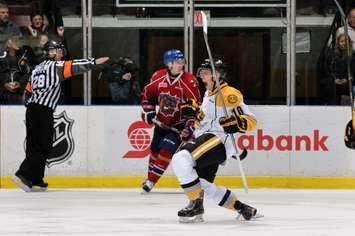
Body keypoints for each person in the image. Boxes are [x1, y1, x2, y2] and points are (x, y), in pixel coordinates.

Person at [12, 39, 109, 192]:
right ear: (48, 52)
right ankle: (22, 173)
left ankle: (36, 179)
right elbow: (75, 66)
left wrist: (31, 105)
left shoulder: (37, 68)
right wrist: (93, 62)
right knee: (43, 145)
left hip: (31, 110)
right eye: (55, 50)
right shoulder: (56, 66)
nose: (59, 53)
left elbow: (28, 92)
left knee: (33, 145)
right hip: (43, 110)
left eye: (59, 50)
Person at [171, 58, 259, 223]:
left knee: (180, 159)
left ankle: (196, 205)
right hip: (207, 140)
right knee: (201, 183)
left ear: (217, 75)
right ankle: (242, 208)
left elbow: (251, 120)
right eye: (201, 72)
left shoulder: (228, 94)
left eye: (206, 72)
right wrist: (194, 115)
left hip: (218, 140)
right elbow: (205, 121)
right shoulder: (207, 94)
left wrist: (237, 124)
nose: (202, 75)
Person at [140, 49, 201, 193]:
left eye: (182, 62)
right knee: (154, 151)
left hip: (178, 126)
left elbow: (196, 105)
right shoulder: (158, 76)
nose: (181, 65)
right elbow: (147, 96)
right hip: (161, 122)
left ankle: (151, 182)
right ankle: (149, 178)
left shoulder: (189, 80)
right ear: (169, 64)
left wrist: (190, 125)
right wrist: (148, 111)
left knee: (166, 150)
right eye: (178, 62)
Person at [0, 37, 32, 104]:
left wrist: (19, 83)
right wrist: (5, 83)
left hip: (20, 92)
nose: (18, 42)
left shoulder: (23, 56)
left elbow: (28, 73)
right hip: (3, 91)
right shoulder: (2, 57)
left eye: (18, 40)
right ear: (8, 44)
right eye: (14, 41)